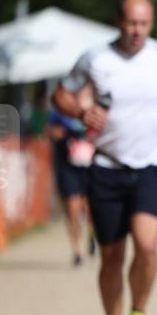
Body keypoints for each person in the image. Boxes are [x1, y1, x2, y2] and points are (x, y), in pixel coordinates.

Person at [52, 0, 157, 315]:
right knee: (111, 256)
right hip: (107, 166)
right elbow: (60, 96)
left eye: (143, 24)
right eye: (131, 23)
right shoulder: (95, 58)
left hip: (152, 165)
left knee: (146, 245)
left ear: (152, 23)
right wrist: (81, 112)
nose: (137, 30)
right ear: (118, 21)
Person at [46, 106, 96, 266]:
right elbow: (50, 130)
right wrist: (58, 133)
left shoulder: (95, 104)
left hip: (91, 167)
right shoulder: (60, 109)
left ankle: (92, 236)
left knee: (90, 209)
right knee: (73, 208)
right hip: (68, 167)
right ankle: (77, 250)